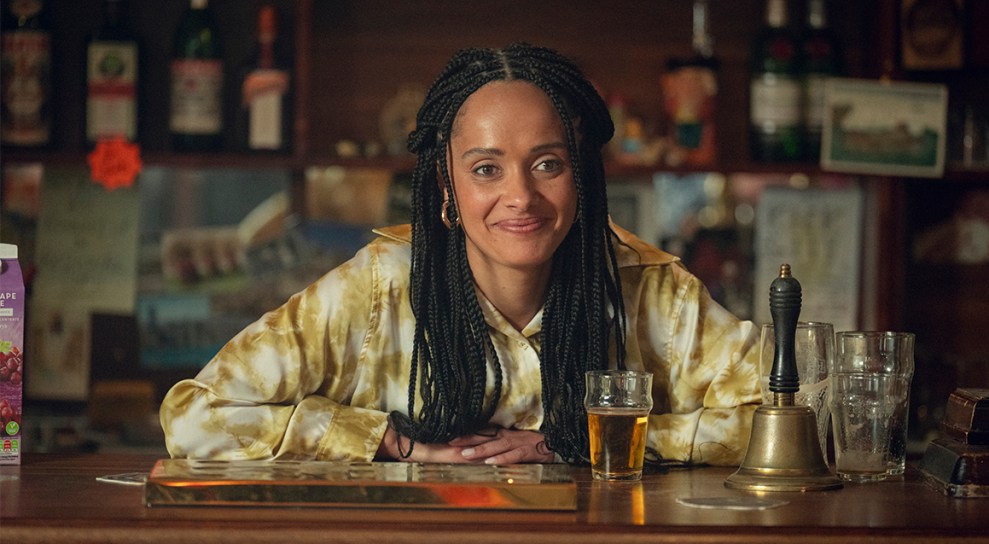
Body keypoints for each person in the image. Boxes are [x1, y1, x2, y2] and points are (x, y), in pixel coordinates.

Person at [160, 42, 760, 467]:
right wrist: (387, 440)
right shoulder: (376, 290)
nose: (520, 196)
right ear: (447, 189)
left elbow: (790, 421)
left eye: (548, 164)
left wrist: (584, 441)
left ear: (582, 178)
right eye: (486, 169)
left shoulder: (652, 291)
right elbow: (195, 415)